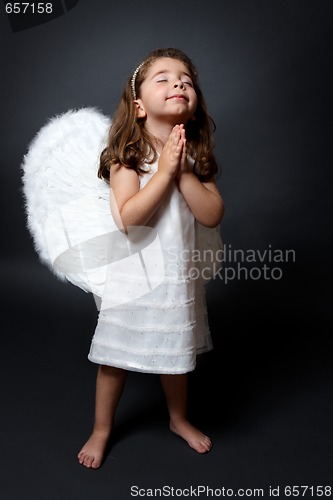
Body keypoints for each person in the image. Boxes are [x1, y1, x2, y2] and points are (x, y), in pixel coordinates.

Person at [78, 48, 224, 469]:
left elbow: (212, 214)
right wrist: (161, 173)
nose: (178, 83)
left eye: (186, 79)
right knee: (114, 358)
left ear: (193, 104)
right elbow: (129, 220)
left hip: (176, 276)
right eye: (163, 77)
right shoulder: (129, 155)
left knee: (175, 353)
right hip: (133, 277)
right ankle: (102, 429)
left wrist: (182, 173)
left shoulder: (195, 158)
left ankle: (178, 418)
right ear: (138, 106)